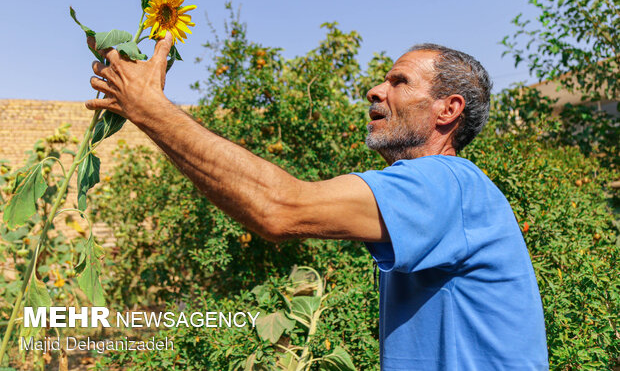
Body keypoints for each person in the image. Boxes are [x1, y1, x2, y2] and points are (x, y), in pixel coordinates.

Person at [86, 32, 549, 370]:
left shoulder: (444, 184)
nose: (375, 90)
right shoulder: (441, 189)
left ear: (448, 110)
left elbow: (280, 208)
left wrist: (150, 108)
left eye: (399, 81)